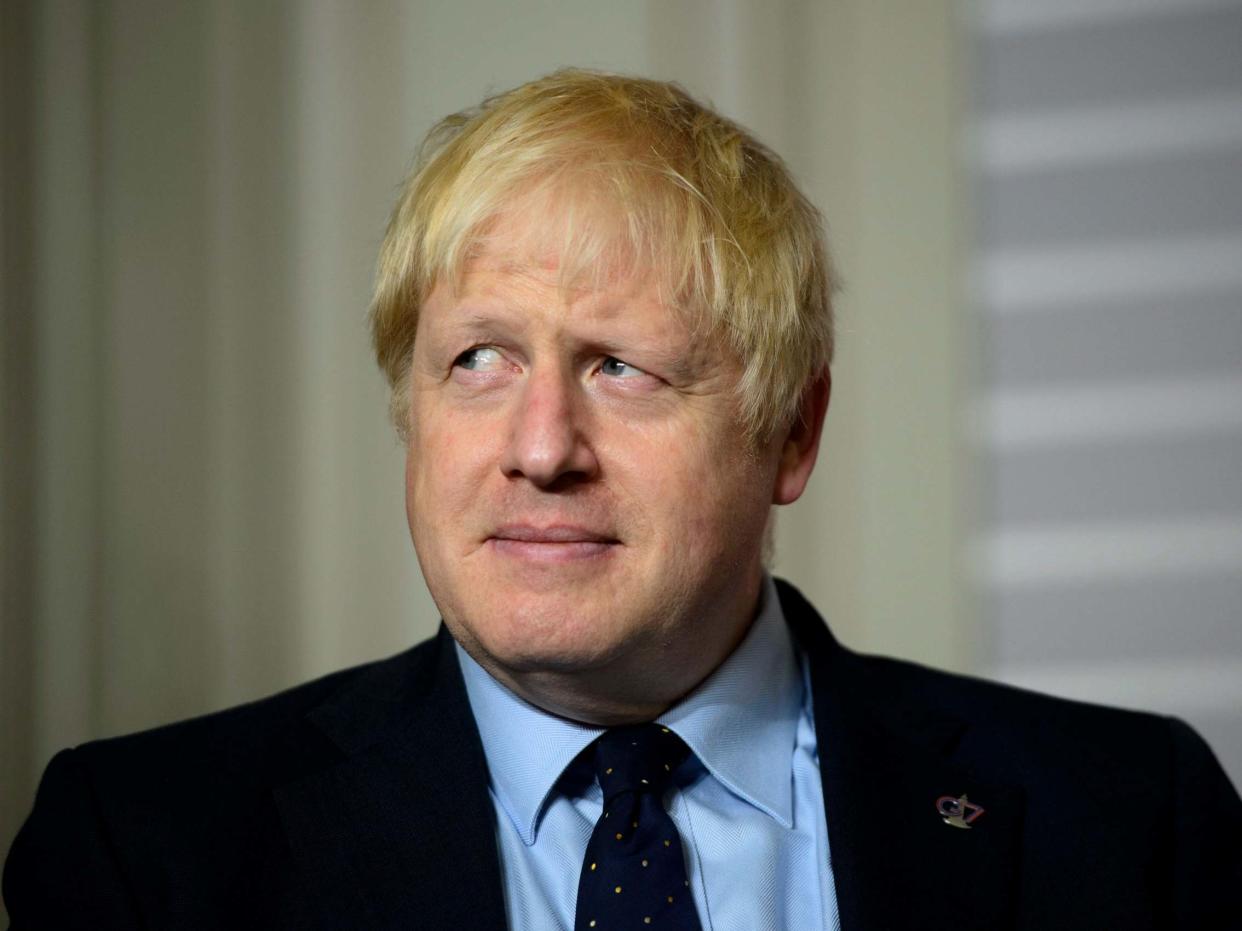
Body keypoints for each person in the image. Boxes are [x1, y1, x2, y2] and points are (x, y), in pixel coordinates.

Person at [4, 69, 1240, 930]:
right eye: (477, 359)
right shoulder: (144, 853)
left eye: (622, 367)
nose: (541, 448)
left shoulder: (1134, 823)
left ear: (792, 433)